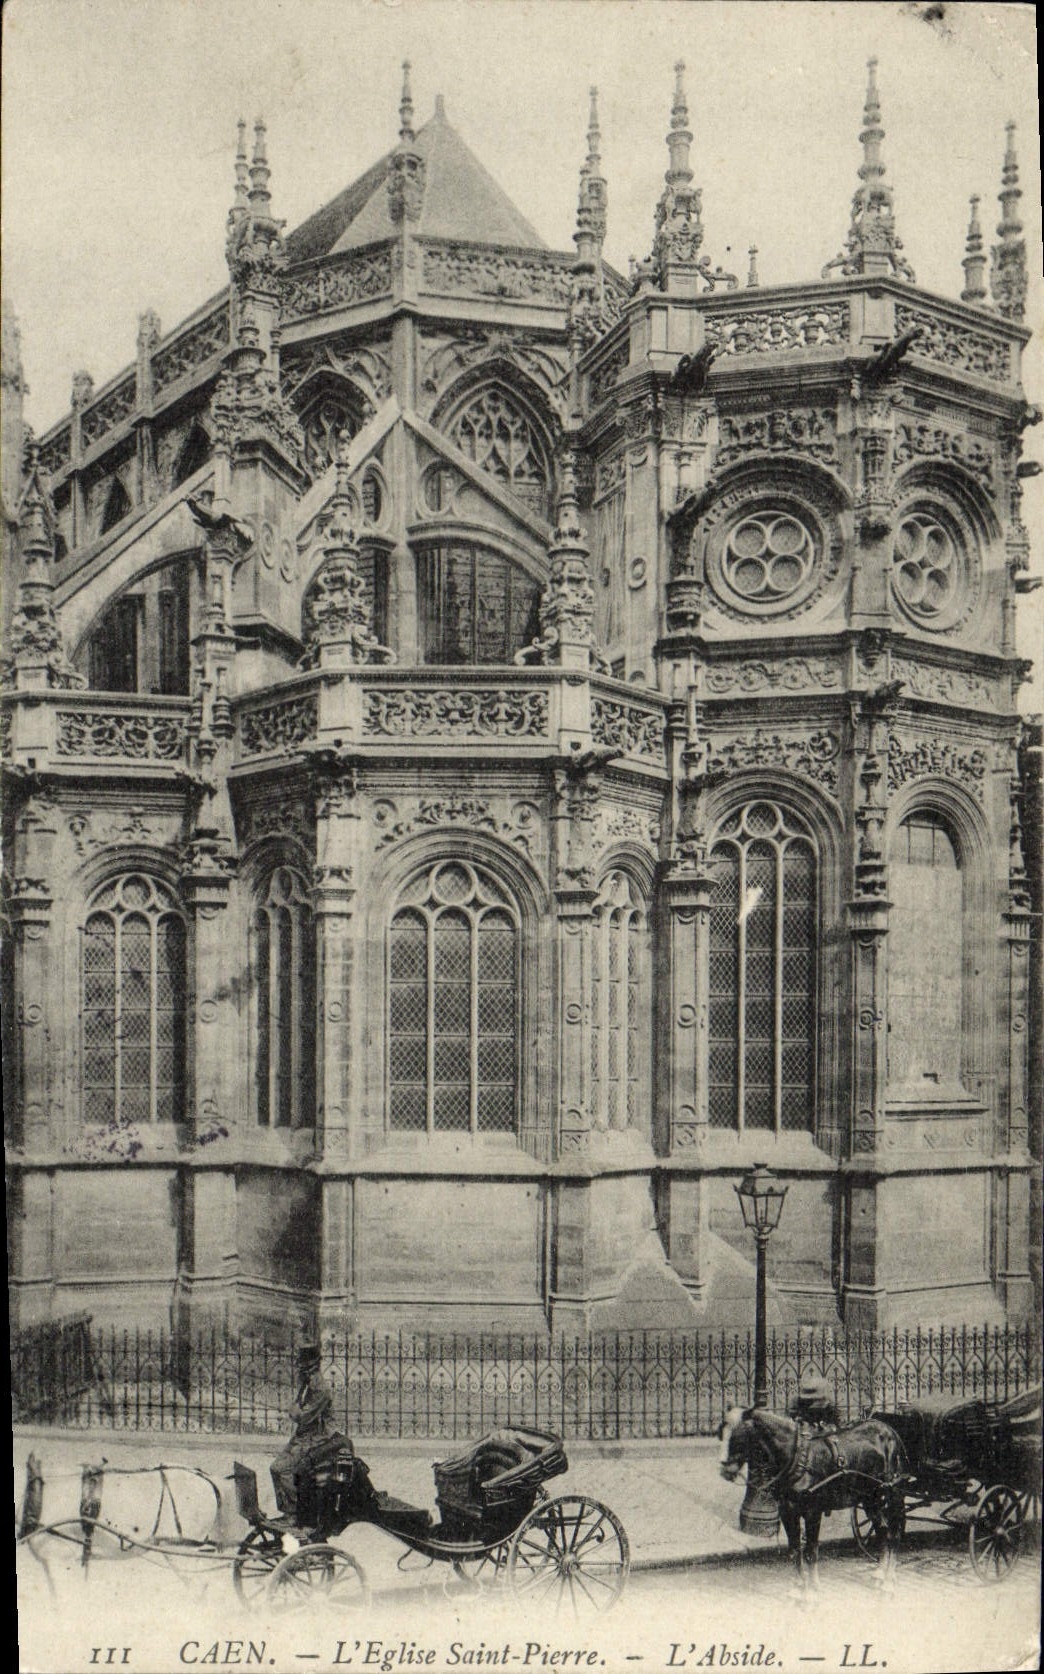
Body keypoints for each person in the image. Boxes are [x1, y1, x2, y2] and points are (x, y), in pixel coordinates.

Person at [270, 1343, 333, 1522]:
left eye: (305, 1369)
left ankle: (298, 1512)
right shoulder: (307, 1385)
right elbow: (295, 1410)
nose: (301, 1372)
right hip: (302, 1437)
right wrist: (295, 1408)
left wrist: (295, 1409)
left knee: (281, 1469)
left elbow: (302, 1416)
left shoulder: (320, 1389)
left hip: (317, 1439)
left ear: (313, 1368)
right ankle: (289, 1510)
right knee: (275, 1468)